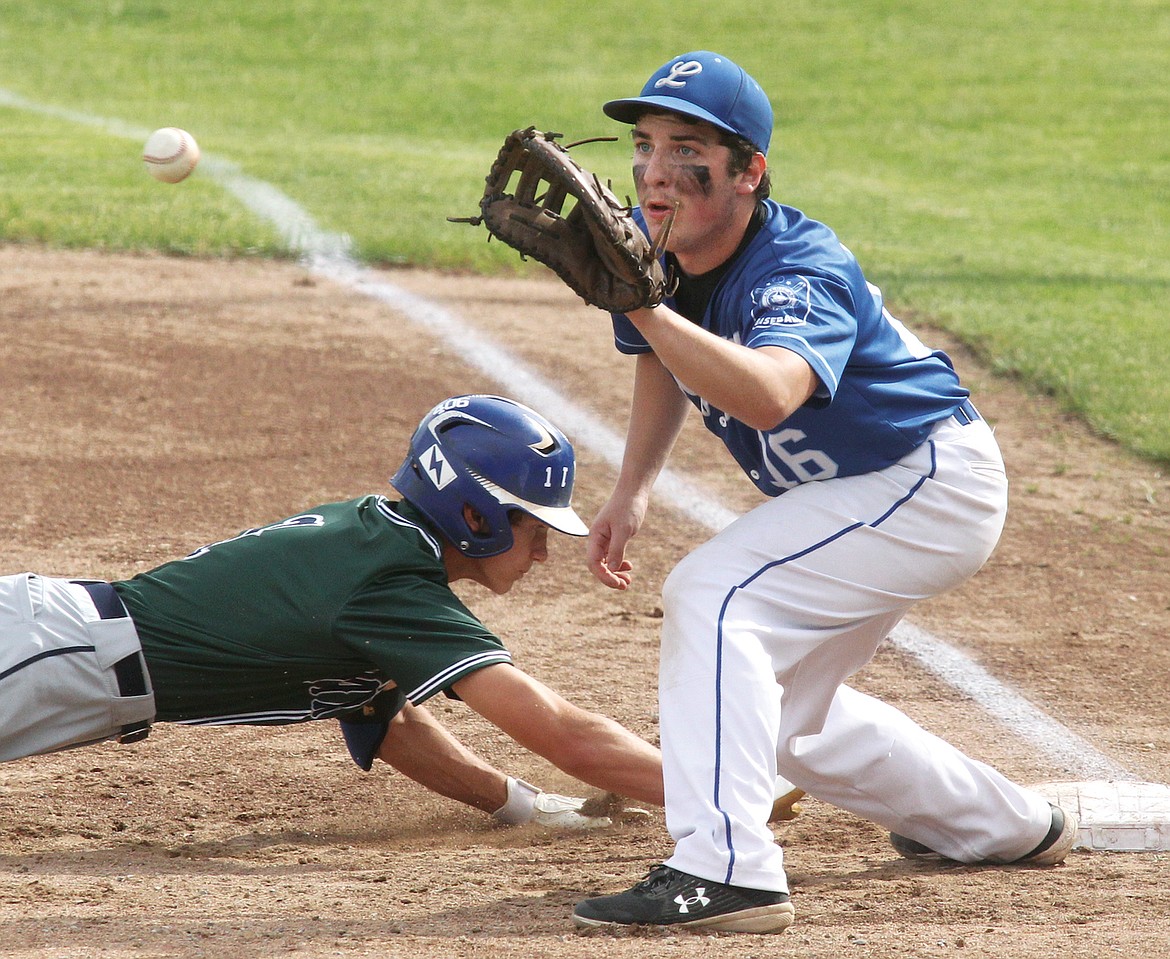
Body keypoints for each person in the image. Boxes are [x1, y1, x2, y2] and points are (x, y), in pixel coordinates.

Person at [570, 51, 1078, 934]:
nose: (654, 171)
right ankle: (1007, 825)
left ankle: (725, 871)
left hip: (923, 481)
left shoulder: (796, 266)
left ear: (748, 171)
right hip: (861, 491)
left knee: (715, 593)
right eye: (645, 144)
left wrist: (647, 305)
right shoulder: (651, 250)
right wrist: (636, 487)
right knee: (778, 720)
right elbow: (660, 356)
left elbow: (768, 393)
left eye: (685, 149)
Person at [1, 393, 664, 830]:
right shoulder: (391, 581)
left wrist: (530, 807)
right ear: (475, 514)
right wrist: (713, 792)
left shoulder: (382, 545)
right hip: (47, 655)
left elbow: (392, 719)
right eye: (535, 528)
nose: (544, 552)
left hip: (59, 657)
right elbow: (566, 734)